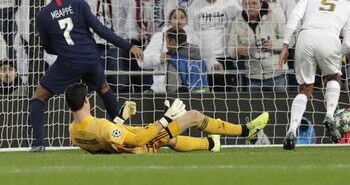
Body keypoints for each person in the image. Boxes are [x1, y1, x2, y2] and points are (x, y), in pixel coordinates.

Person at [29, 0, 144, 152]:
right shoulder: (79, 4)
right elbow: (101, 29)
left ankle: (37, 144)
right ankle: (124, 135)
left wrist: (63, 50)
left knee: (38, 97)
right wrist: (128, 46)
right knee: (104, 88)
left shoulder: (42, 15)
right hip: (91, 58)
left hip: (68, 61)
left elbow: (47, 47)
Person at [65, 82, 269, 154]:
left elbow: (107, 140)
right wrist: (165, 119)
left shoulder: (74, 132)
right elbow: (136, 141)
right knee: (193, 116)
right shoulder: (99, 125)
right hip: (139, 146)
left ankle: (210, 143)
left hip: (127, 143)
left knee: (171, 140)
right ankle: (246, 131)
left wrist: (120, 117)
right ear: (86, 101)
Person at [279, 0, 350, 150]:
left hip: (305, 37)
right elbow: (349, 43)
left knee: (305, 87)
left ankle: (292, 130)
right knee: (333, 77)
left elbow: (293, 17)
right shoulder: (349, 7)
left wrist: (285, 44)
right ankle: (329, 115)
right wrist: (340, 53)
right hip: (330, 37)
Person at [227, 0, 286, 92]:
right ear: (243, 5)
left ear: (261, 4)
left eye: (254, 3)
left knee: (281, 107)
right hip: (253, 77)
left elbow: (289, 41)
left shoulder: (273, 17)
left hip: (276, 74)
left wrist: (273, 44)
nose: (251, 6)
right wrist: (237, 51)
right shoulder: (237, 22)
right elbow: (230, 49)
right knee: (255, 107)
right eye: (247, 4)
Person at [138, 8, 200, 93]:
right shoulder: (160, 37)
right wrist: (158, 58)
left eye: (182, 17)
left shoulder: (193, 38)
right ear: (169, 20)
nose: (178, 21)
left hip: (188, 89)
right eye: (175, 17)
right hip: (161, 90)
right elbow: (141, 61)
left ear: (187, 21)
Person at [165, 26, 209, 94]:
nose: (166, 46)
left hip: (186, 101)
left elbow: (173, 90)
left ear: (173, 42)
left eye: (167, 42)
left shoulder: (174, 61)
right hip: (205, 98)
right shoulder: (200, 58)